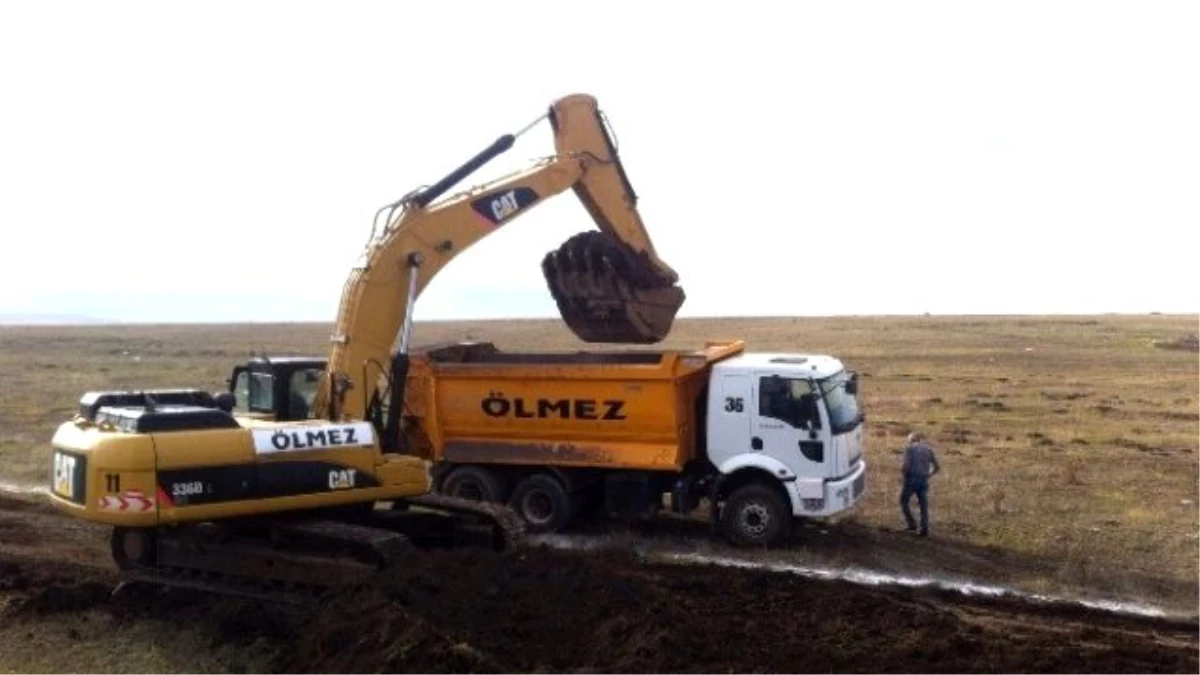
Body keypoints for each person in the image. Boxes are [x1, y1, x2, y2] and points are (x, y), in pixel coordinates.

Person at [900, 431, 940, 536]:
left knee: (904, 501)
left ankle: (912, 523)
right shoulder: (928, 450)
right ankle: (925, 529)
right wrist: (928, 474)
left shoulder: (909, 449)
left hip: (911, 479)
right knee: (923, 504)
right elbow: (937, 467)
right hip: (923, 480)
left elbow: (906, 466)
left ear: (911, 440)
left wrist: (904, 474)